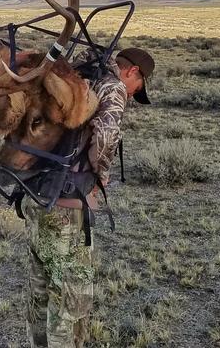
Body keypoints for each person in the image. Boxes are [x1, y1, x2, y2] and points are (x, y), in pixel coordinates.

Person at [21, 47, 155, 347]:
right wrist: (102, 171)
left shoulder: (77, 78)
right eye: (138, 87)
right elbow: (106, 136)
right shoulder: (112, 86)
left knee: (40, 291)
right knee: (70, 300)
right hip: (68, 209)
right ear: (132, 72)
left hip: (34, 195)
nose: (133, 94)